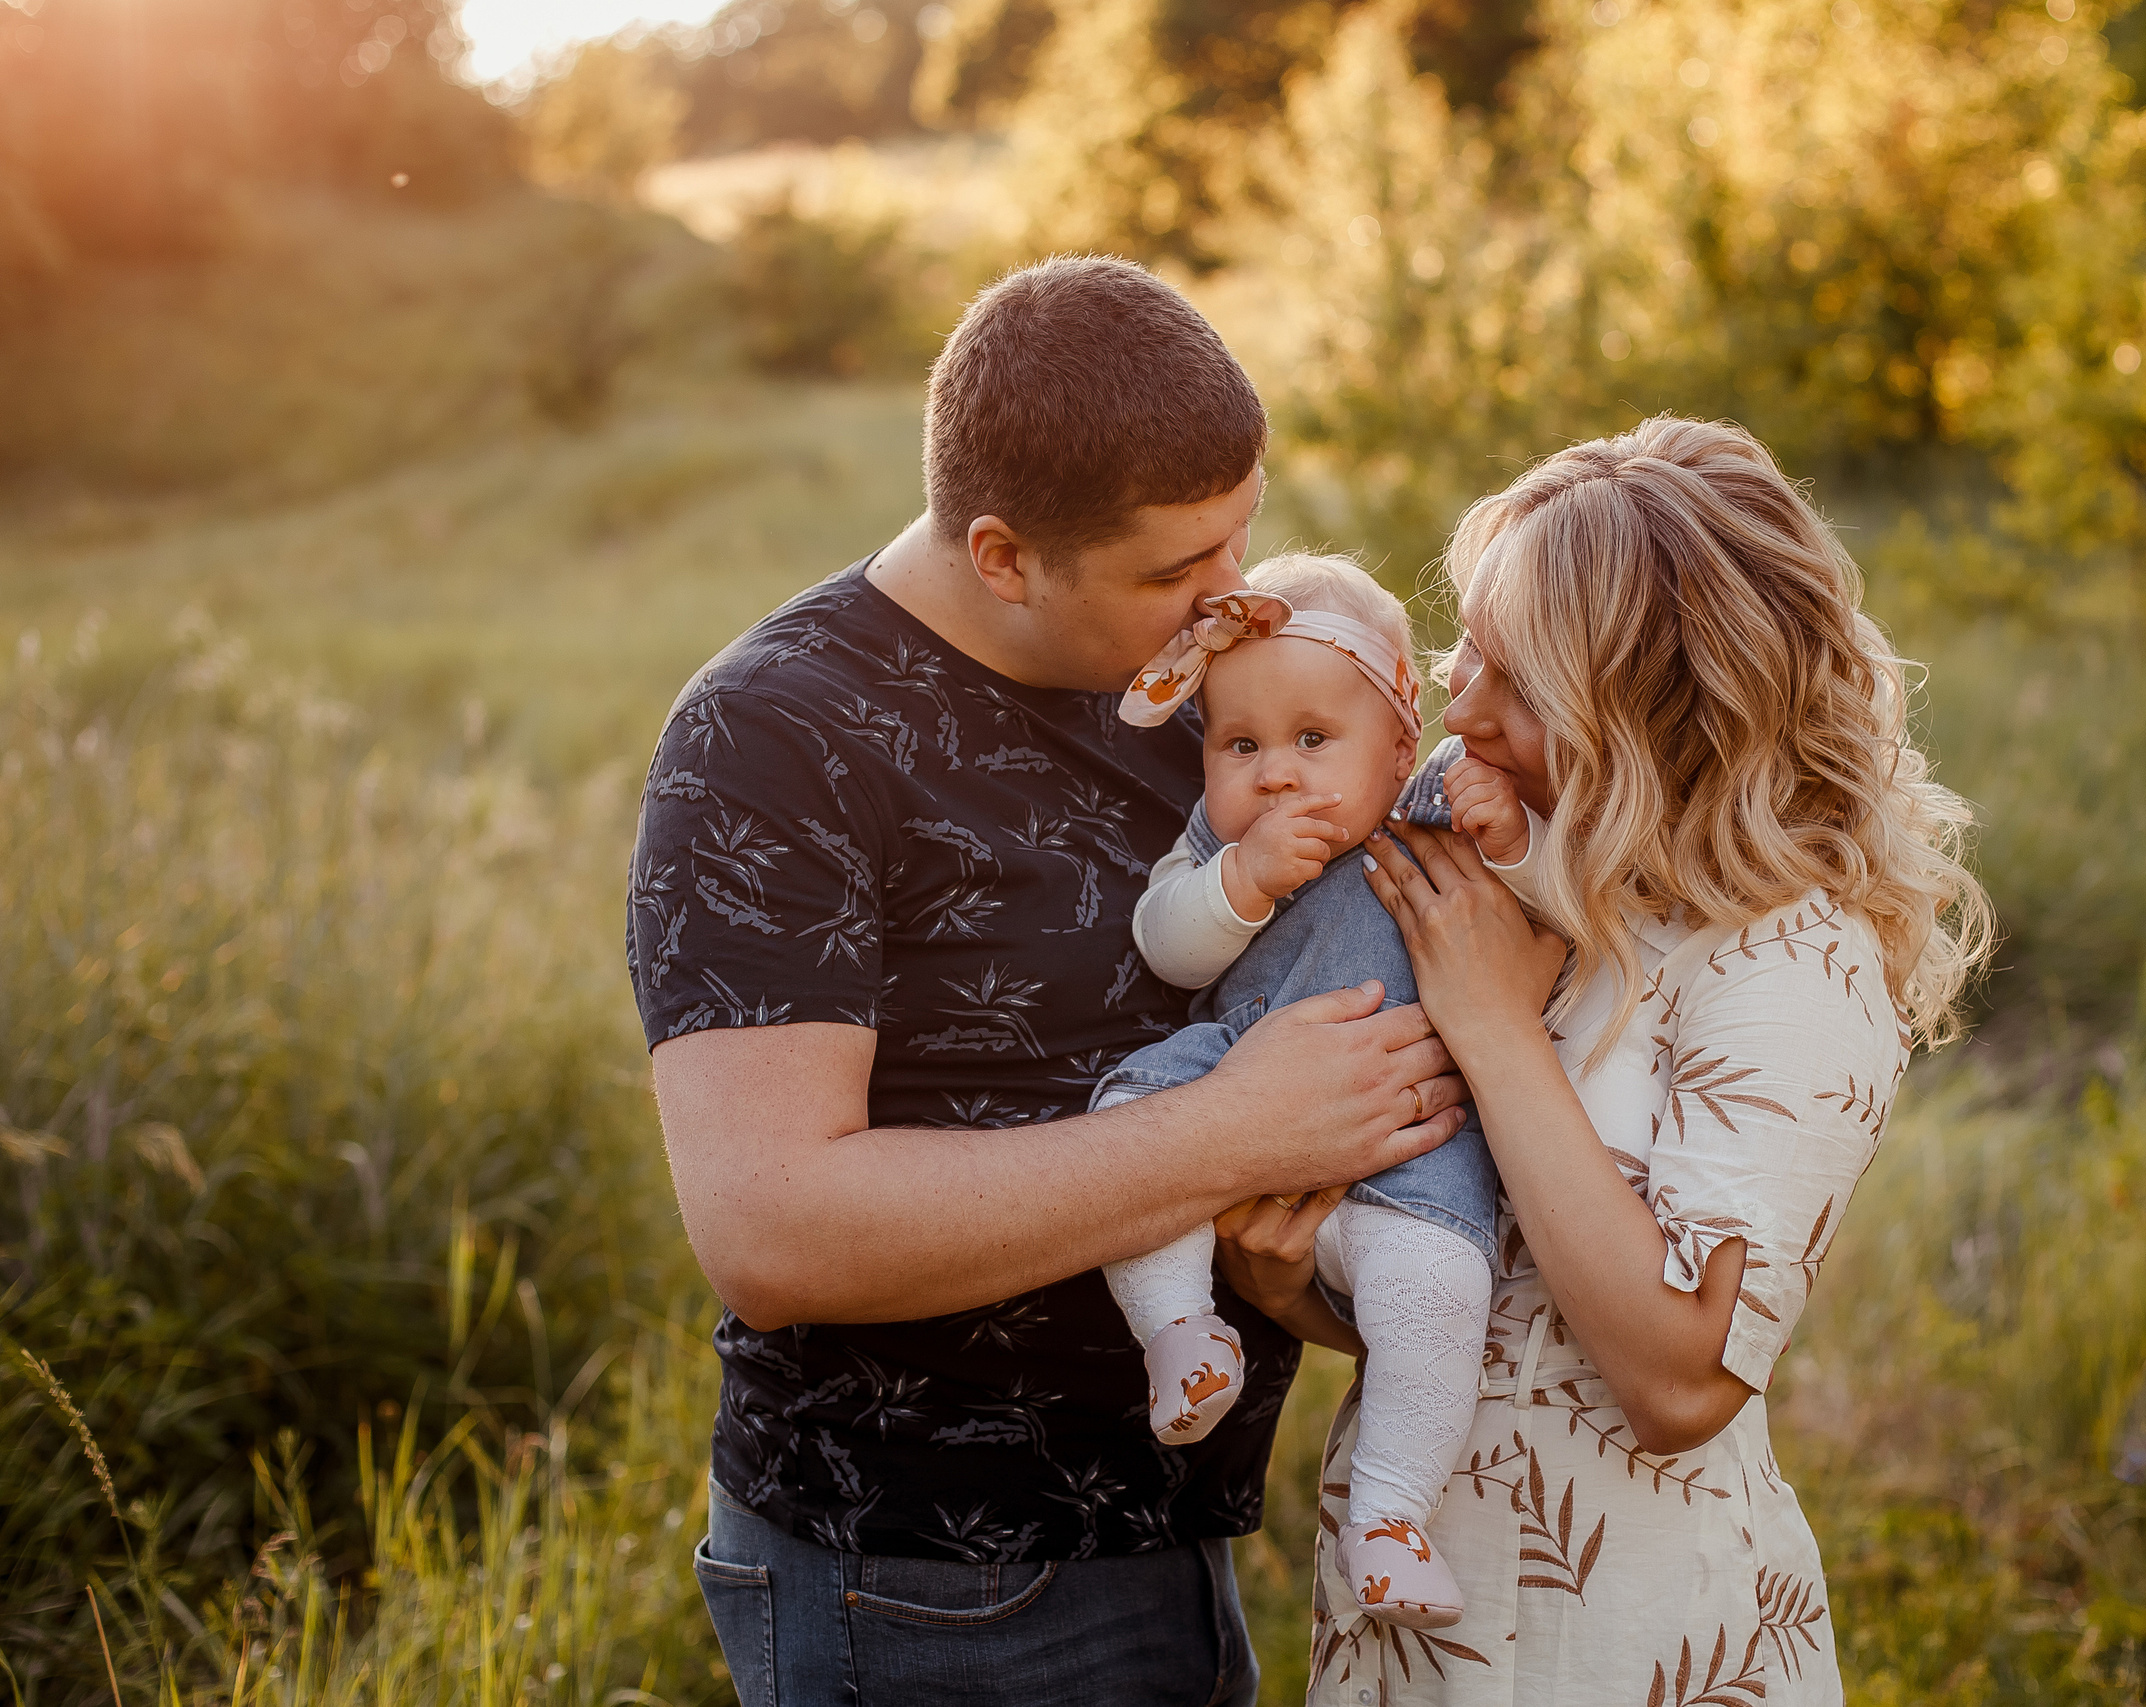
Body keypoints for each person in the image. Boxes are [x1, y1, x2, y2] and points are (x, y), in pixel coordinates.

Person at [626, 255, 1469, 1707]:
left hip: (1174, 1532)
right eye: (1175, 572)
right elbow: (773, 1227)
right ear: (1006, 554)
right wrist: (1235, 1133)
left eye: (1241, 542)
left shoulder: (1201, 683)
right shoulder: (775, 738)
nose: (1233, 606)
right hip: (923, 1582)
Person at [1214, 416, 1993, 1703]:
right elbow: (1484, 1302)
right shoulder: (1525, 871)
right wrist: (1286, 1278)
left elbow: (1680, 1379)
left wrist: (1492, 1027)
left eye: (1517, 683)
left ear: (1655, 710)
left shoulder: (1791, 961)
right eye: (1469, 646)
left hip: (1628, 1649)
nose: (1458, 705)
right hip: (1413, 1637)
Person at [1092, 553, 1535, 1631]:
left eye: (1311, 740)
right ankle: (1180, 1331)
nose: (1276, 775)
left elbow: (1550, 905)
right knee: (1128, 1133)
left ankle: (1389, 1518)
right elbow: (1166, 949)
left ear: (1398, 740)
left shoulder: (1433, 802)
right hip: (1241, 1074)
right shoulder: (1220, 841)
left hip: (1408, 1148)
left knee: (1441, 1294)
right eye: (1240, 745)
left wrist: (1511, 832)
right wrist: (1237, 885)